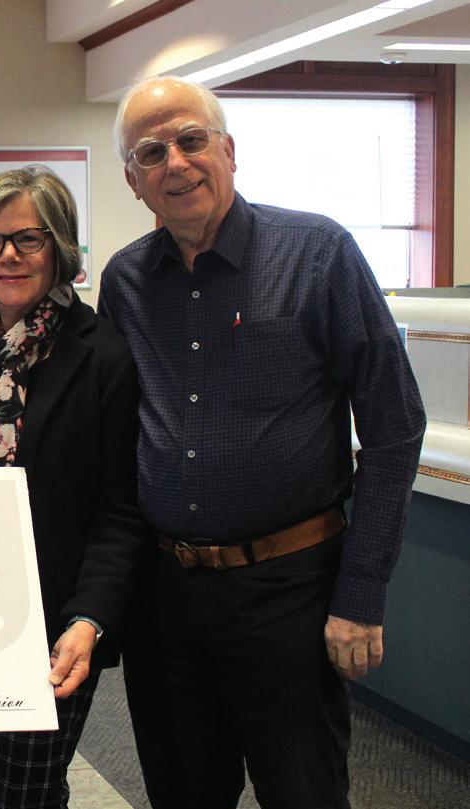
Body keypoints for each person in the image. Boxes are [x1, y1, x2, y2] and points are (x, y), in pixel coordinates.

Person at [99, 75, 427, 809]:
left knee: (303, 791)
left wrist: (362, 593)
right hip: (166, 600)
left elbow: (395, 426)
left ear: (228, 150)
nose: (176, 163)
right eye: (151, 152)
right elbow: (116, 435)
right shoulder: (125, 282)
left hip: (291, 593)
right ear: (133, 180)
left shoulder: (318, 253)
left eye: (191, 140)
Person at [0, 166, 145, 809]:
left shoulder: (103, 357)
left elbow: (121, 511)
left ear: (59, 247)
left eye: (27, 239)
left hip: (53, 621)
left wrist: (90, 618)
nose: (7, 255)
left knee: (27, 793)